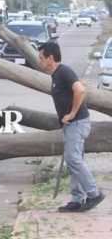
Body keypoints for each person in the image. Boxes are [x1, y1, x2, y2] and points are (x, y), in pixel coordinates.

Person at [38, 42, 105, 212]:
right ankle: (77, 199)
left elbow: (80, 90)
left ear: (50, 58)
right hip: (71, 125)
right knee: (74, 161)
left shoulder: (64, 72)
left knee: (73, 160)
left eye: (41, 58)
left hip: (77, 123)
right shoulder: (56, 75)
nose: (39, 61)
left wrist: (72, 113)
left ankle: (94, 193)